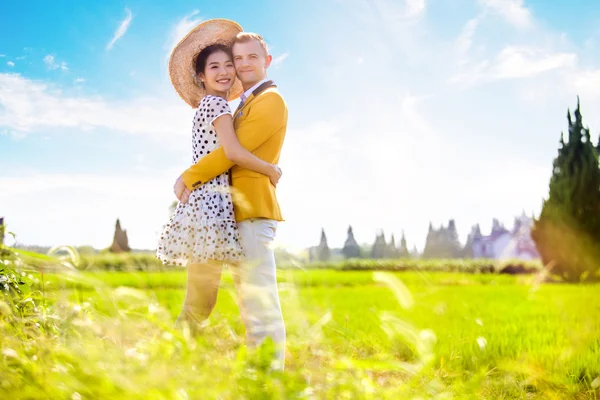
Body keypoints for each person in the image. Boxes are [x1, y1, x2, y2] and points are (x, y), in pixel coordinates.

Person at [173, 25, 288, 371]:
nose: (241, 65)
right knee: (238, 304)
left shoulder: (270, 101)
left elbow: (229, 154)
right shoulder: (236, 105)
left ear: (267, 61)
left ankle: (268, 383)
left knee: (259, 306)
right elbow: (227, 150)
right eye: (238, 59)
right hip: (228, 216)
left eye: (251, 57)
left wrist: (189, 176)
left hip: (250, 213)